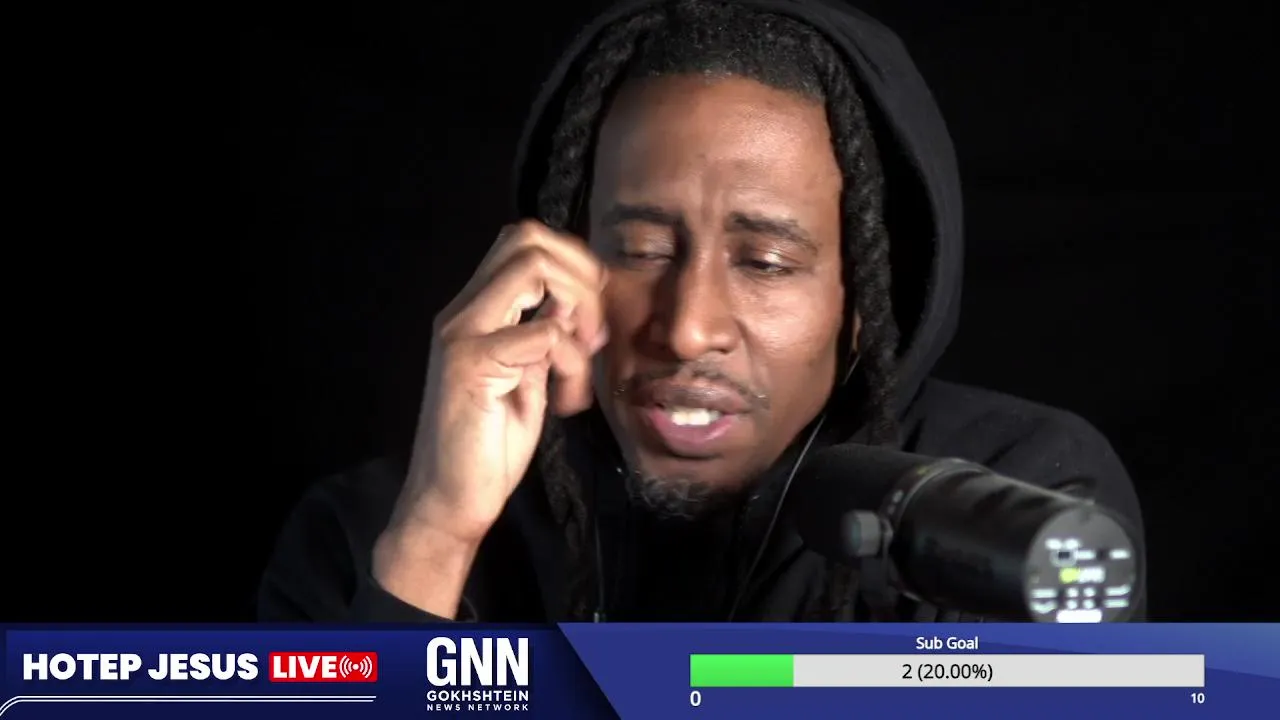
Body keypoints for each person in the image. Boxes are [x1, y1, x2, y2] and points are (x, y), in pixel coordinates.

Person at [258, 0, 1145, 623]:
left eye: (766, 263)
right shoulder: (364, 531)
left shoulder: (1010, 497)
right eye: (639, 250)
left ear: (869, 298)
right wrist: (433, 538)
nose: (686, 329)